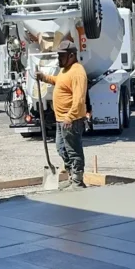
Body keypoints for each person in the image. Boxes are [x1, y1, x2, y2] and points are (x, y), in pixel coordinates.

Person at [35, 40, 88, 188]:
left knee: (73, 150)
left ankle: (77, 181)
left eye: (61, 56)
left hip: (71, 120)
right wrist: (44, 77)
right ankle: (72, 176)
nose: (59, 59)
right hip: (61, 119)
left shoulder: (77, 72)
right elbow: (59, 81)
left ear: (71, 56)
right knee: (61, 148)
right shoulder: (66, 69)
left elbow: (79, 99)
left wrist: (69, 117)